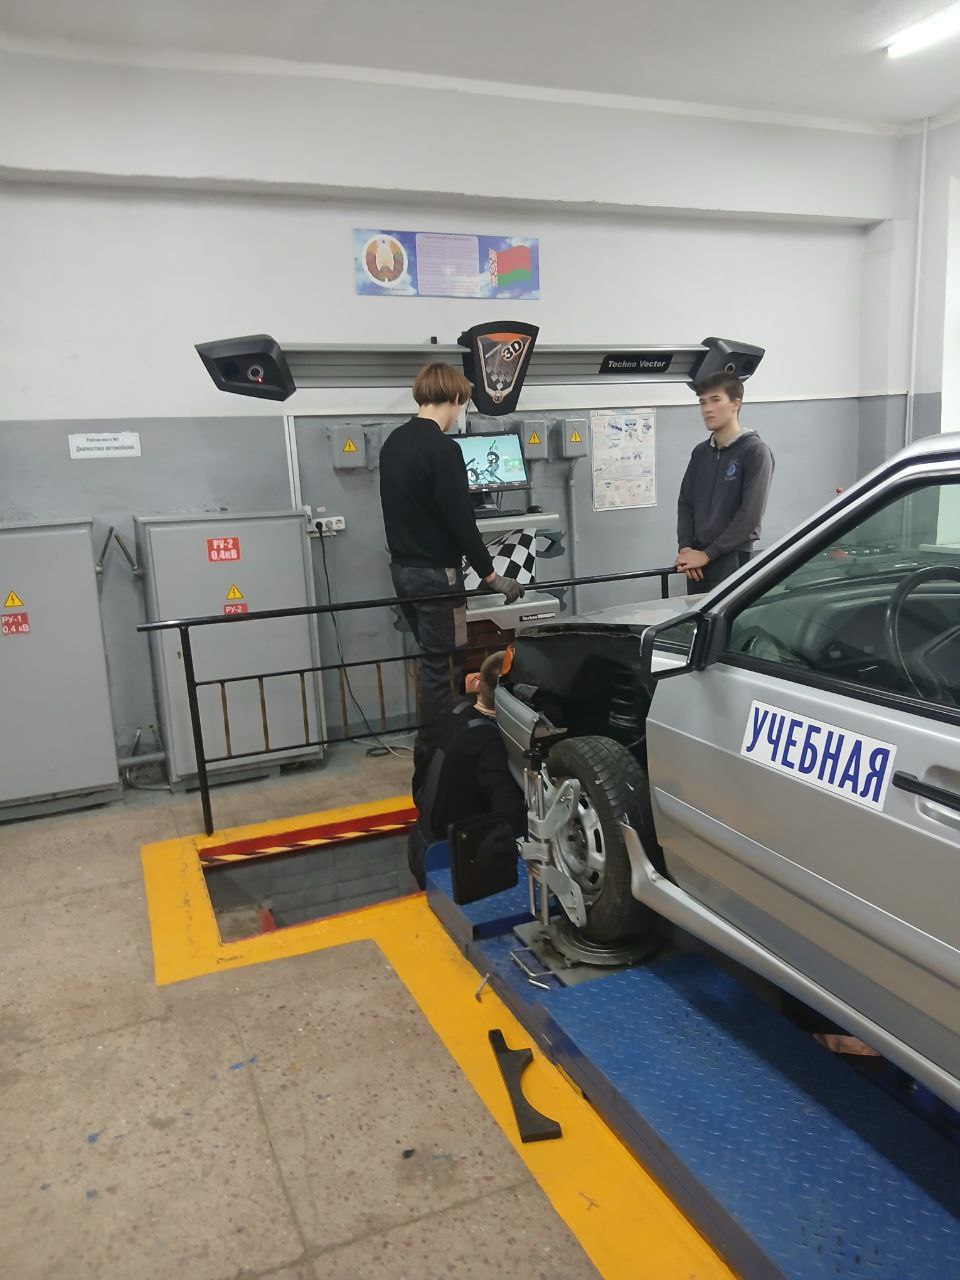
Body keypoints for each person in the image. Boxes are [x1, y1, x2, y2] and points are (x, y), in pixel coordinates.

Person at [379, 362, 523, 784]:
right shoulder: (444, 450)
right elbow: (462, 522)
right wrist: (492, 576)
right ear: (457, 398)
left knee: (430, 661)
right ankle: (437, 765)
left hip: (403, 572)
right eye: (463, 403)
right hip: (437, 578)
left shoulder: (393, 443)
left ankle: (435, 758)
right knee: (443, 670)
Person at [407, 651, 526, 888]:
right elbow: (511, 819)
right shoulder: (490, 746)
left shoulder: (456, 710)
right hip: (448, 861)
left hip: (419, 841)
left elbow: (420, 771)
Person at [675, 371, 775, 594]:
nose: (707, 409)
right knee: (698, 615)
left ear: (735, 404)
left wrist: (708, 554)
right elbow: (685, 503)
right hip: (697, 561)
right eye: (702, 402)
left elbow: (749, 515)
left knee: (724, 616)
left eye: (715, 400)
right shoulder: (700, 452)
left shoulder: (755, 451)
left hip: (732, 558)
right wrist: (686, 548)